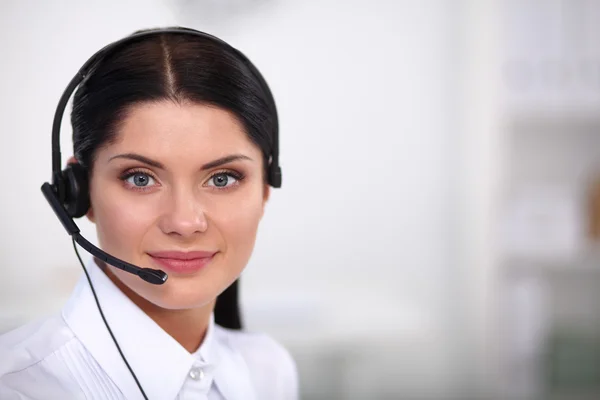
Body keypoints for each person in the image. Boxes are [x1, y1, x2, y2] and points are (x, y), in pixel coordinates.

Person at [0, 27, 298, 400]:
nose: (185, 222)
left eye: (222, 178)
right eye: (141, 178)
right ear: (78, 192)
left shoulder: (268, 370)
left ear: (265, 189)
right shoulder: (16, 387)